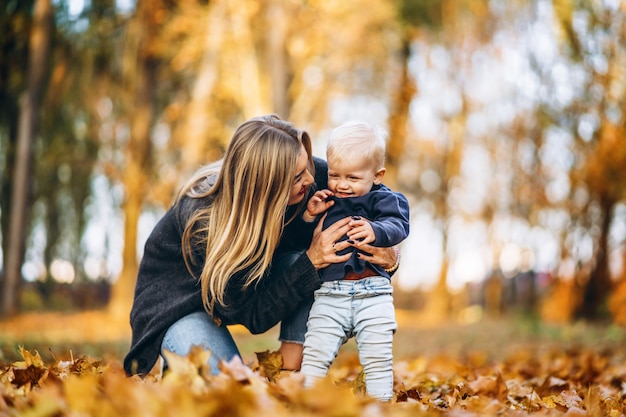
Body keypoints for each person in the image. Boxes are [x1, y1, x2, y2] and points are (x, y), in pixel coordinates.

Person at [123, 114, 400, 377]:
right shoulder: (203, 220)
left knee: (304, 263)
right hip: (182, 306)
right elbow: (251, 315)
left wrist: (390, 254)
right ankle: (181, 361)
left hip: (254, 282)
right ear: (266, 189)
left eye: (307, 167)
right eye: (296, 178)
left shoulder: (318, 176)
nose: (311, 180)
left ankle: (292, 371)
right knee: (229, 388)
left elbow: (378, 200)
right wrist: (312, 261)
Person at [299, 121, 410, 401]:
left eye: (353, 178)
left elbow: (399, 225)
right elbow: (301, 240)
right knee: (314, 354)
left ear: (377, 175)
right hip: (329, 295)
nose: (342, 185)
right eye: (335, 175)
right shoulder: (326, 198)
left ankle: (379, 405)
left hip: (373, 293)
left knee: (377, 358)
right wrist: (310, 215)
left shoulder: (384, 200)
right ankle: (306, 403)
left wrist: (377, 230)